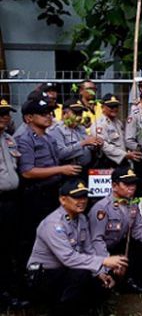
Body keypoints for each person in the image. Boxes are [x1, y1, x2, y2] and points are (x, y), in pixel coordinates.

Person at [26, 179, 128, 316]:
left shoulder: (81, 219)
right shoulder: (53, 224)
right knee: (82, 272)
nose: (82, 201)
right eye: (76, 197)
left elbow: (89, 250)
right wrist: (103, 261)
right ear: (63, 200)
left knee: (101, 279)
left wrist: (101, 272)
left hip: (66, 270)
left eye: (84, 197)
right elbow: (68, 258)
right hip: (44, 274)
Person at [17, 99, 81, 260]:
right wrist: (61, 169)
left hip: (52, 190)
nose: (49, 117)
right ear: (29, 118)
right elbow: (27, 172)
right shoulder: (25, 139)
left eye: (50, 113)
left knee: (54, 230)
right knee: (35, 233)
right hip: (36, 193)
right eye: (43, 114)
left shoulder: (48, 137)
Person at [88, 167, 142, 293]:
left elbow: (138, 230)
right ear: (114, 186)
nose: (132, 187)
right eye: (127, 184)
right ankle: (120, 281)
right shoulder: (102, 209)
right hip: (100, 251)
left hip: (119, 245)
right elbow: (96, 241)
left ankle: (133, 277)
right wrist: (109, 263)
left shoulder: (131, 204)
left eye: (133, 183)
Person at [0, 99, 28, 310]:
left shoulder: (9, 139)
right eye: (1, 113)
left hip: (11, 202)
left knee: (11, 248)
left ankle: (10, 291)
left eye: (7, 113)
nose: (5, 116)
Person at [48, 98, 103, 178]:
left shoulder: (81, 128)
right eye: (75, 113)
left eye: (80, 113)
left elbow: (88, 148)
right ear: (64, 114)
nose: (79, 116)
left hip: (85, 169)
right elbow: (60, 154)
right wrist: (83, 143)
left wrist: (95, 145)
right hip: (68, 172)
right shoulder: (57, 130)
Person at [93, 94, 142, 168]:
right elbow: (104, 146)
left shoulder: (118, 122)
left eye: (116, 106)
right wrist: (124, 155)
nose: (114, 109)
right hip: (107, 163)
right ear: (102, 107)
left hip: (122, 161)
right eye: (111, 106)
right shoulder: (99, 124)